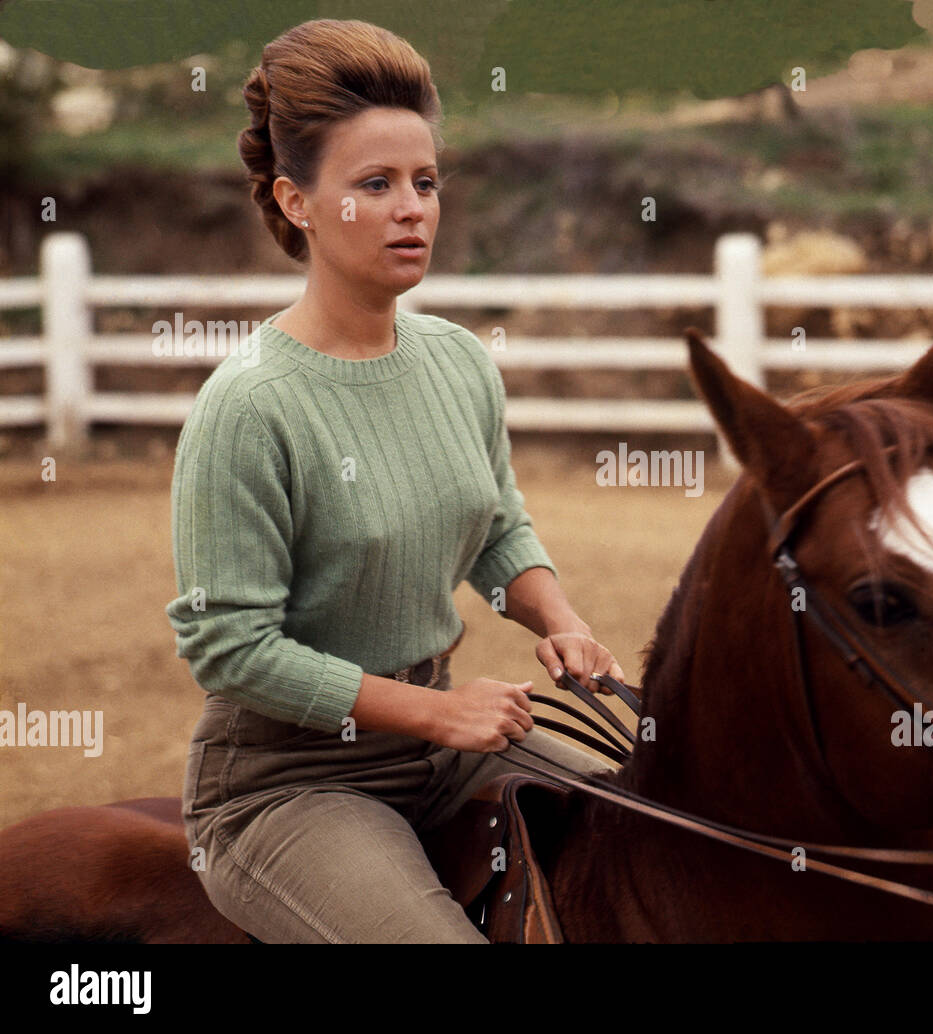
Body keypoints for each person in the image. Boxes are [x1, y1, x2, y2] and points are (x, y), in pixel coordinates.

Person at [165, 18, 624, 944]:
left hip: (443, 747)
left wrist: (563, 621)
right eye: (374, 186)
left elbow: (497, 531)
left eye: (424, 182)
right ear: (297, 202)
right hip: (287, 783)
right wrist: (436, 710)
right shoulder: (249, 408)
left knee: (657, 834)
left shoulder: (459, 361)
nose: (411, 207)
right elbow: (230, 649)